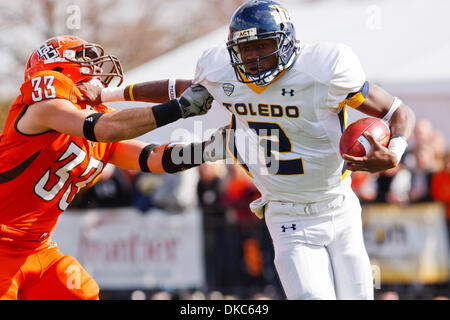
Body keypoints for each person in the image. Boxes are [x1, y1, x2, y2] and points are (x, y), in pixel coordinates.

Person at [79, 0, 416, 300]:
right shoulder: (222, 72)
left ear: (287, 42)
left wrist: (396, 151)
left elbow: (399, 111)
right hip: (287, 215)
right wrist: (108, 96)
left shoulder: (324, 68)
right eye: (245, 50)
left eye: (264, 45)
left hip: (340, 205)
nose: (254, 58)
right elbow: (177, 88)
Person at [0, 35, 218, 300]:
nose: (94, 68)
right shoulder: (43, 104)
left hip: (38, 248)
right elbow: (104, 128)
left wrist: (212, 148)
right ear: (54, 67)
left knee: (83, 292)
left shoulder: (99, 122)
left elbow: (154, 158)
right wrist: (178, 108)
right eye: (82, 59)